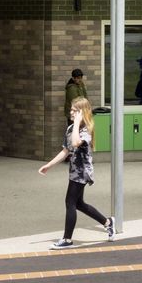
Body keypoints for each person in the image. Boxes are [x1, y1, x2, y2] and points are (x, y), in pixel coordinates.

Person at [39, 97, 113, 248]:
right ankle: (108, 222)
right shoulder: (71, 128)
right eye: (71, 109)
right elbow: (66, 150)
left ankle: (67, 239)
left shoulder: (87, 129)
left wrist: (78, 122)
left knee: (70, 202)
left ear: (82, 112)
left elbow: (76, 143)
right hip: (74, 171)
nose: (71, 112)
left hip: (83, 172)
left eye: (74, 110)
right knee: (79, 204)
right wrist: (49, 165)